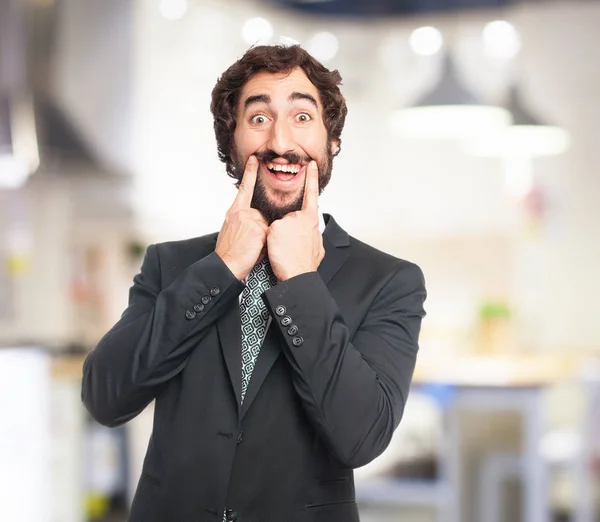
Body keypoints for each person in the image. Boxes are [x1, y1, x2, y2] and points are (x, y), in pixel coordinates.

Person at [81, 44, 427, 522]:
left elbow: (362, 436)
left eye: (302, 117)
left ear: (332, 143)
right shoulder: (172, 265)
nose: (281, 141)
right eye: (259, 117)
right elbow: (106, 396)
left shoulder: (390, 281)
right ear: (232, 142)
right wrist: (221, 267)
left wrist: (302, 280)